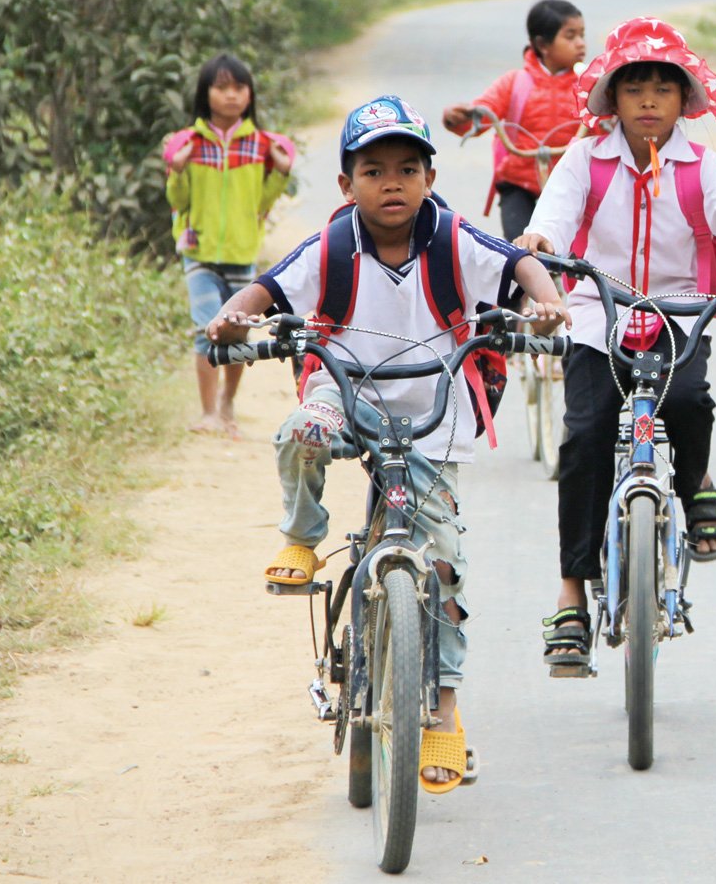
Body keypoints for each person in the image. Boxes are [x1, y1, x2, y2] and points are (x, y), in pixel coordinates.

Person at [205, 96, 570, 792]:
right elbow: (266, 289)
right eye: (374, 170)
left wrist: (547, 306)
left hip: (436, 407)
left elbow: (519, 266)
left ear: (431, 177)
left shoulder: (451, 237)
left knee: (443, 570)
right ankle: (302, 535)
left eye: (408, 168)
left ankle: (444, 712)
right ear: (347, 186)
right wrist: (231, 320)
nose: (392, 182)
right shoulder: (333, 246)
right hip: (346, 393)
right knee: (303, 431)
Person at [515, 18, 716, 673]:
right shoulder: (584, 159)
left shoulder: (701, 168)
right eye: (634, 89)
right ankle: (571, 592)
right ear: (612, 100)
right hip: (598, 310)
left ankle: (695, 485)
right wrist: (537, 243)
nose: (649, 100)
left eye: (663, 89)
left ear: (685, 101)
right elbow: (554, 216)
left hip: (678, 311)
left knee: (689, 400)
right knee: (585, 433)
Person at [162, 54, 297, 438]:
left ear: (249, 93)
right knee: (207, 329)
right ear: (206, 95)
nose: (231, 95)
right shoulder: (187, 144)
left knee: (237, 332)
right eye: (221, 87)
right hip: (199, 253)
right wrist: (179, 170)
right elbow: (179, 199)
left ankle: (227, 405)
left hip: (241, 254)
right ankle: (208, 411)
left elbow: (261, 203)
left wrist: (281, 174)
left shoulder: (259, 145)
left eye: (238, 87)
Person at [442, 0, 588, 241]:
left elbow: (605, 121)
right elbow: (483, 112)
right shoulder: (515, 82)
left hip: (571, 185)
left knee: (575, 254)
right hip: (520, 184)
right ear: (542, 44)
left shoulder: (588, 86)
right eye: (570, 36)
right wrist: (459, 118)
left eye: (582, 35)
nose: (581, 43)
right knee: (520, 253)